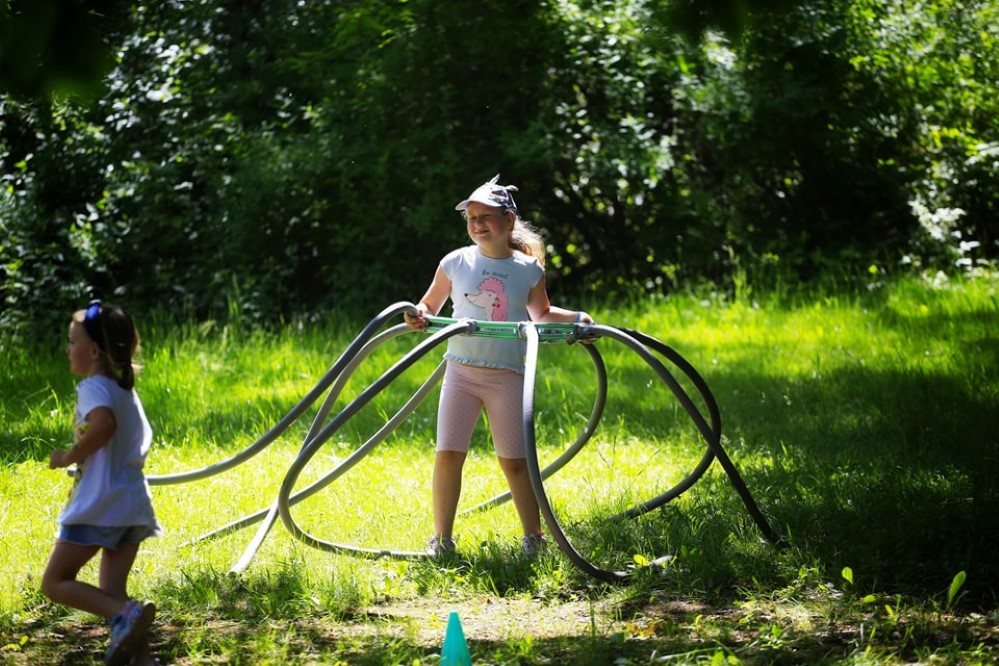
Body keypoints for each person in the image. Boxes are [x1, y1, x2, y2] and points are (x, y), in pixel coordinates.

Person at [404, 175, 594, 557]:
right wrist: (418, 314)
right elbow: (430, 305)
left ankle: (533, 539)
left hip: (506, 377)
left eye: (485, 216)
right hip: (460, 372)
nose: (477, 224)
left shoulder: (527, 270)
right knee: (448, 455)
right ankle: (441, 540)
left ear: (508, 221)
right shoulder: (455, 262)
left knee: (515, 463)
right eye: (471, 218)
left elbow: (540, 313)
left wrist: (578, 318)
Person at [41, 301, 161, 666]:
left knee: (55, 581)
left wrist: (69, 455)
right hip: (132, 505)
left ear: (94, 351)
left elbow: (104, 426)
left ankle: (125, 616)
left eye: (72, 341)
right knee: (113, 593)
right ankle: (141, 659)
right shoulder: (126, 392)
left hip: (101, 504)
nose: (67, 349)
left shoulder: (94, 387)